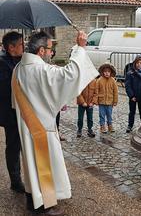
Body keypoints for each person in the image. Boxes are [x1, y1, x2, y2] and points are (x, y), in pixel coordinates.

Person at [12, 31, 98, 214]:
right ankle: (45, 205)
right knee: (45, 164)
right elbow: (69, 75)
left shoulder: (18, 68)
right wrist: (80, 48)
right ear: (41, 50)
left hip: (26, 124)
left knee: (30, 165)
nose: (52, 53)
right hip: (41, 127)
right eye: (51, 49)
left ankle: (32, 200)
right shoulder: (40, 70)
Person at [0, 31, 25, 193]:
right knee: (14, 146)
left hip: (20, 111)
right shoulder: (2, 63)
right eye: (21, 44)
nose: (24, 46)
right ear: (11, 47)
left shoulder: (19, 59)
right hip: (10, 113)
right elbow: (5, 90)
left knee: (20, 145)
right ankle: (15, 181)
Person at [125, 55, 141, 133]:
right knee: (132, 111)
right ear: (135, 63)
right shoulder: (130, 74)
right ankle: (130, 125)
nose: (139, 64)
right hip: (133, 97)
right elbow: (128, 86)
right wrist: (131, 95)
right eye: (137, 63)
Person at [96, 63, 118, 134]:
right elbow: (96, 91)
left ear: (111, 72)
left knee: (109, 114)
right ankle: (102, 126)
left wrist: (115, 101)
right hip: (101, 101)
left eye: (108, 72)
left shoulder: (113, 80)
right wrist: (96, 100)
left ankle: (110, 125)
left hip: (110, 101)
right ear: (102, 72)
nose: (107, 73)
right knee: (102, 115)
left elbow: (115, 92)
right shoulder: (99, 80)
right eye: (105, 72)